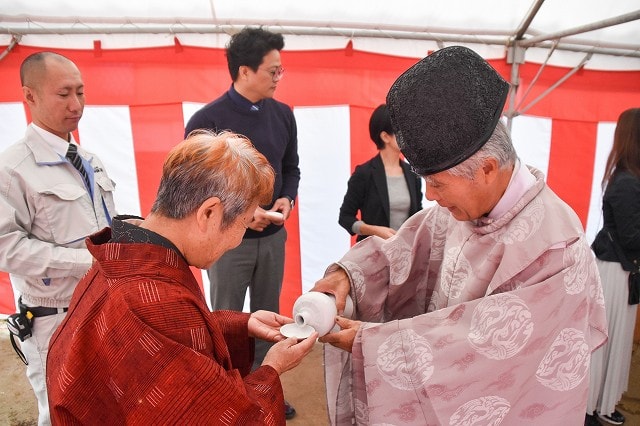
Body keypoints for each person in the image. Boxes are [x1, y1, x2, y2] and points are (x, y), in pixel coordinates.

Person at [310, 46, 608, 425]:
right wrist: (345, 278)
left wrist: (374, 343)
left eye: (437, 183)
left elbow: (490, 355)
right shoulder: (453, 213)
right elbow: (398, 254)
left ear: (486, 169)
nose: (431, 197)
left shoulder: (555, 249)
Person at [46, 130, 317, 425]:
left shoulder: (122, 252)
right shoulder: (153, 300)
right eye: (244, 224)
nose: (238, 241)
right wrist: (271, 370)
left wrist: (241, 324)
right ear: (209, 213)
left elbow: (171, 342)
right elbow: (221, 418)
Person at [184, 26, 300, 418]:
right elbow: (198, 185)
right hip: (224, 241)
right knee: (227, 319)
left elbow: (291, 168)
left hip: (273, 239)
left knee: (270, 316)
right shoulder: (207, 120)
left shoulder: (284, 115)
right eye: (273, 70)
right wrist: (244, 214)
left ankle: (267, 390)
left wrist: (287, 199)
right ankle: (227, 399)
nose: (278, 77)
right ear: (245, 71)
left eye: (280, 70)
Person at [0, 51, 117, 426]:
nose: (77, 105)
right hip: (54, 321)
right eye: (64, 93)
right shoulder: (12, 169)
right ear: (29, 96)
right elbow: (6, 248)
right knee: (62, 414)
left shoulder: (90, 159)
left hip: (104, 307)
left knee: (107, 404)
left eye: (81, 92)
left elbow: (105, 224)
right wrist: (91, 260)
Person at [586, 108, 640, 426]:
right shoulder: (627, 183)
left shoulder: (628, 178)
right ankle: (592, 406)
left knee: (613, 344)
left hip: (620, 271)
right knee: (605, 344)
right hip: (613, 272)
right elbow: (632, 237)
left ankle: (601, 404)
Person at [338, 104, 422, 241]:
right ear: (385, 137)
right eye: (400, 131)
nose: (407, 135)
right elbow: (345, 218)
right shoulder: (364, 173)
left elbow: (418, 214)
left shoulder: (412, 173)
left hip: (406, 251)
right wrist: (373, 230)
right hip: (374, 252)